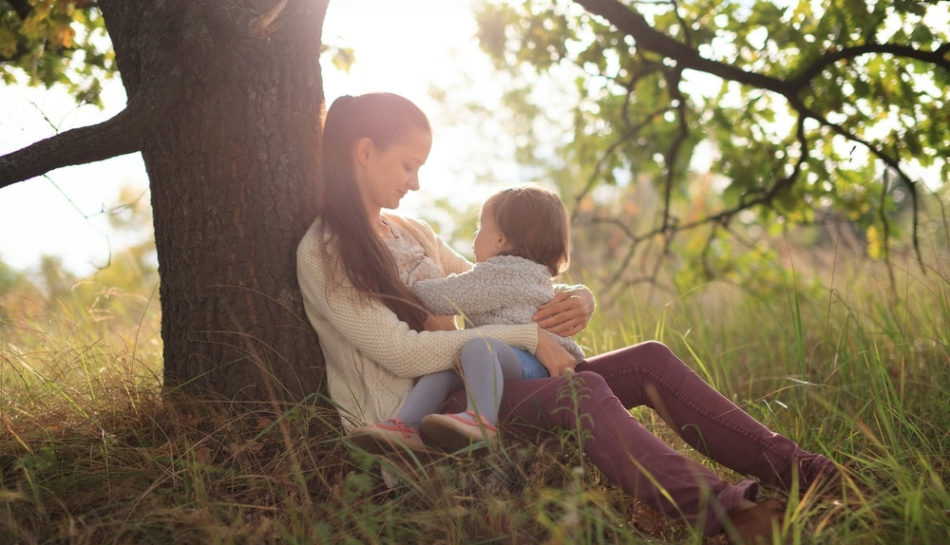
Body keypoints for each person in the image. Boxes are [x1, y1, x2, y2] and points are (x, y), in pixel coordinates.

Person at [296, 92, 841, 542]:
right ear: (365, 152)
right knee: (580, 393)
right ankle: (726, 511)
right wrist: (527, 336)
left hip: (483, 382)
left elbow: (508, 278)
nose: (415, 183)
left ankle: (806, 472)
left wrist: (579, 298)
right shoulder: (325, 251)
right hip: (428, 415)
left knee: (649, 357)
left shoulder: (412, 232)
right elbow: (401, 352)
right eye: (408, 165)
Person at [346, 184, 585, 453]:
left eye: (480, 227)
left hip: (533, 362)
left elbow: (448, 295)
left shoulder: (500, 274)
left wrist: (412, 288)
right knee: (443, 369)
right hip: (510, 361)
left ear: (500, 240)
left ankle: (481, 421)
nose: (475, 234)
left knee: (479, 345)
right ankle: (406, 426)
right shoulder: (524, 273)